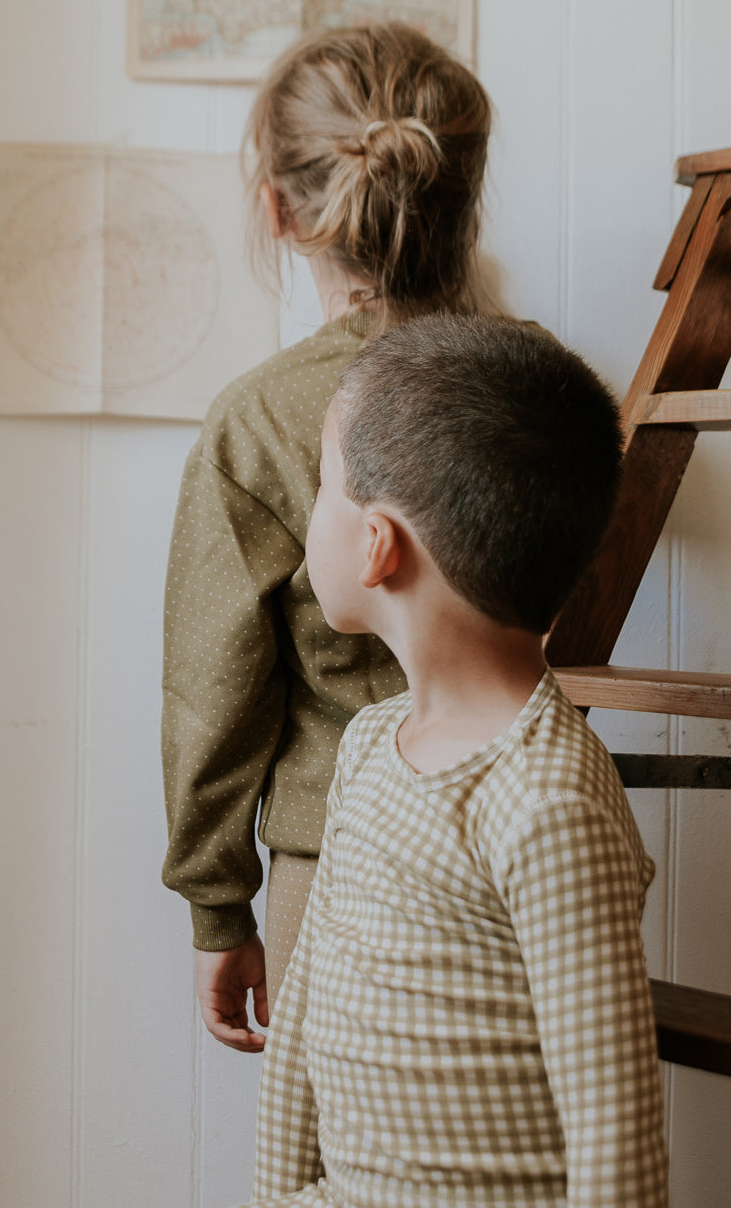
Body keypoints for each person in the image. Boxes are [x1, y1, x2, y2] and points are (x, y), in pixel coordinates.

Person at [245, 314, 669, 1208]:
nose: (310, 509)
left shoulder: (544, 799)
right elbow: (302, 1031)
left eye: (324, 486)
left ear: (376, 545)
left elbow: (615, 1136)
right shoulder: (366, 746)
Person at [161, 23, 494, 1052]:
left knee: (331, 1167)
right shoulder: (541, 389)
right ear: (463, 198)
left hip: (337, 860)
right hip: (519, 835)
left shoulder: (259, 418)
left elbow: (213, 684)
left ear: (278, 208)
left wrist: (218, 906)